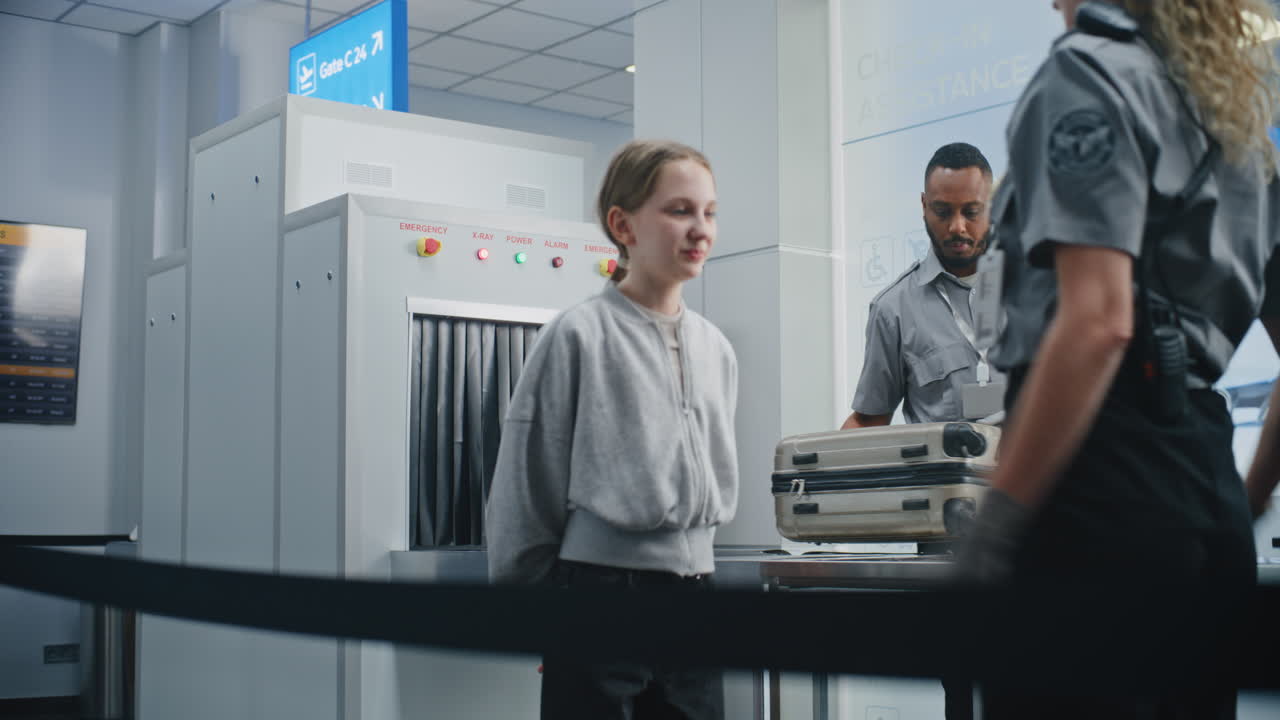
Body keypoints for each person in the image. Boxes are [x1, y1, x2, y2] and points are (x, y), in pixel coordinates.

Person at [962, 0, 1280, 715]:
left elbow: (1100, 322)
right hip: (1206, 484)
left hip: (1096, 492)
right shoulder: (1232, 111)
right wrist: (1246, 500)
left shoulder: (1085, 73)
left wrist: (1001, 520)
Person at [485, 139, 739, 720]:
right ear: (622, 225)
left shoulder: (716, 350)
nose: (701, 230)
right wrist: (538, 618)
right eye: (679, 210)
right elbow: (525, 493)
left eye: (710, 212)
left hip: (697, 605)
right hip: (597, 604)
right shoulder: (577, 336)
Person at [842, 142, 1007, 430]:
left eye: (971, 212)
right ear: (923, 206)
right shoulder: (892, 310)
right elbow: (870, 420)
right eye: (943, 212)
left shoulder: (1036, 290)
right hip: (944, 475)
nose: (957, 227)